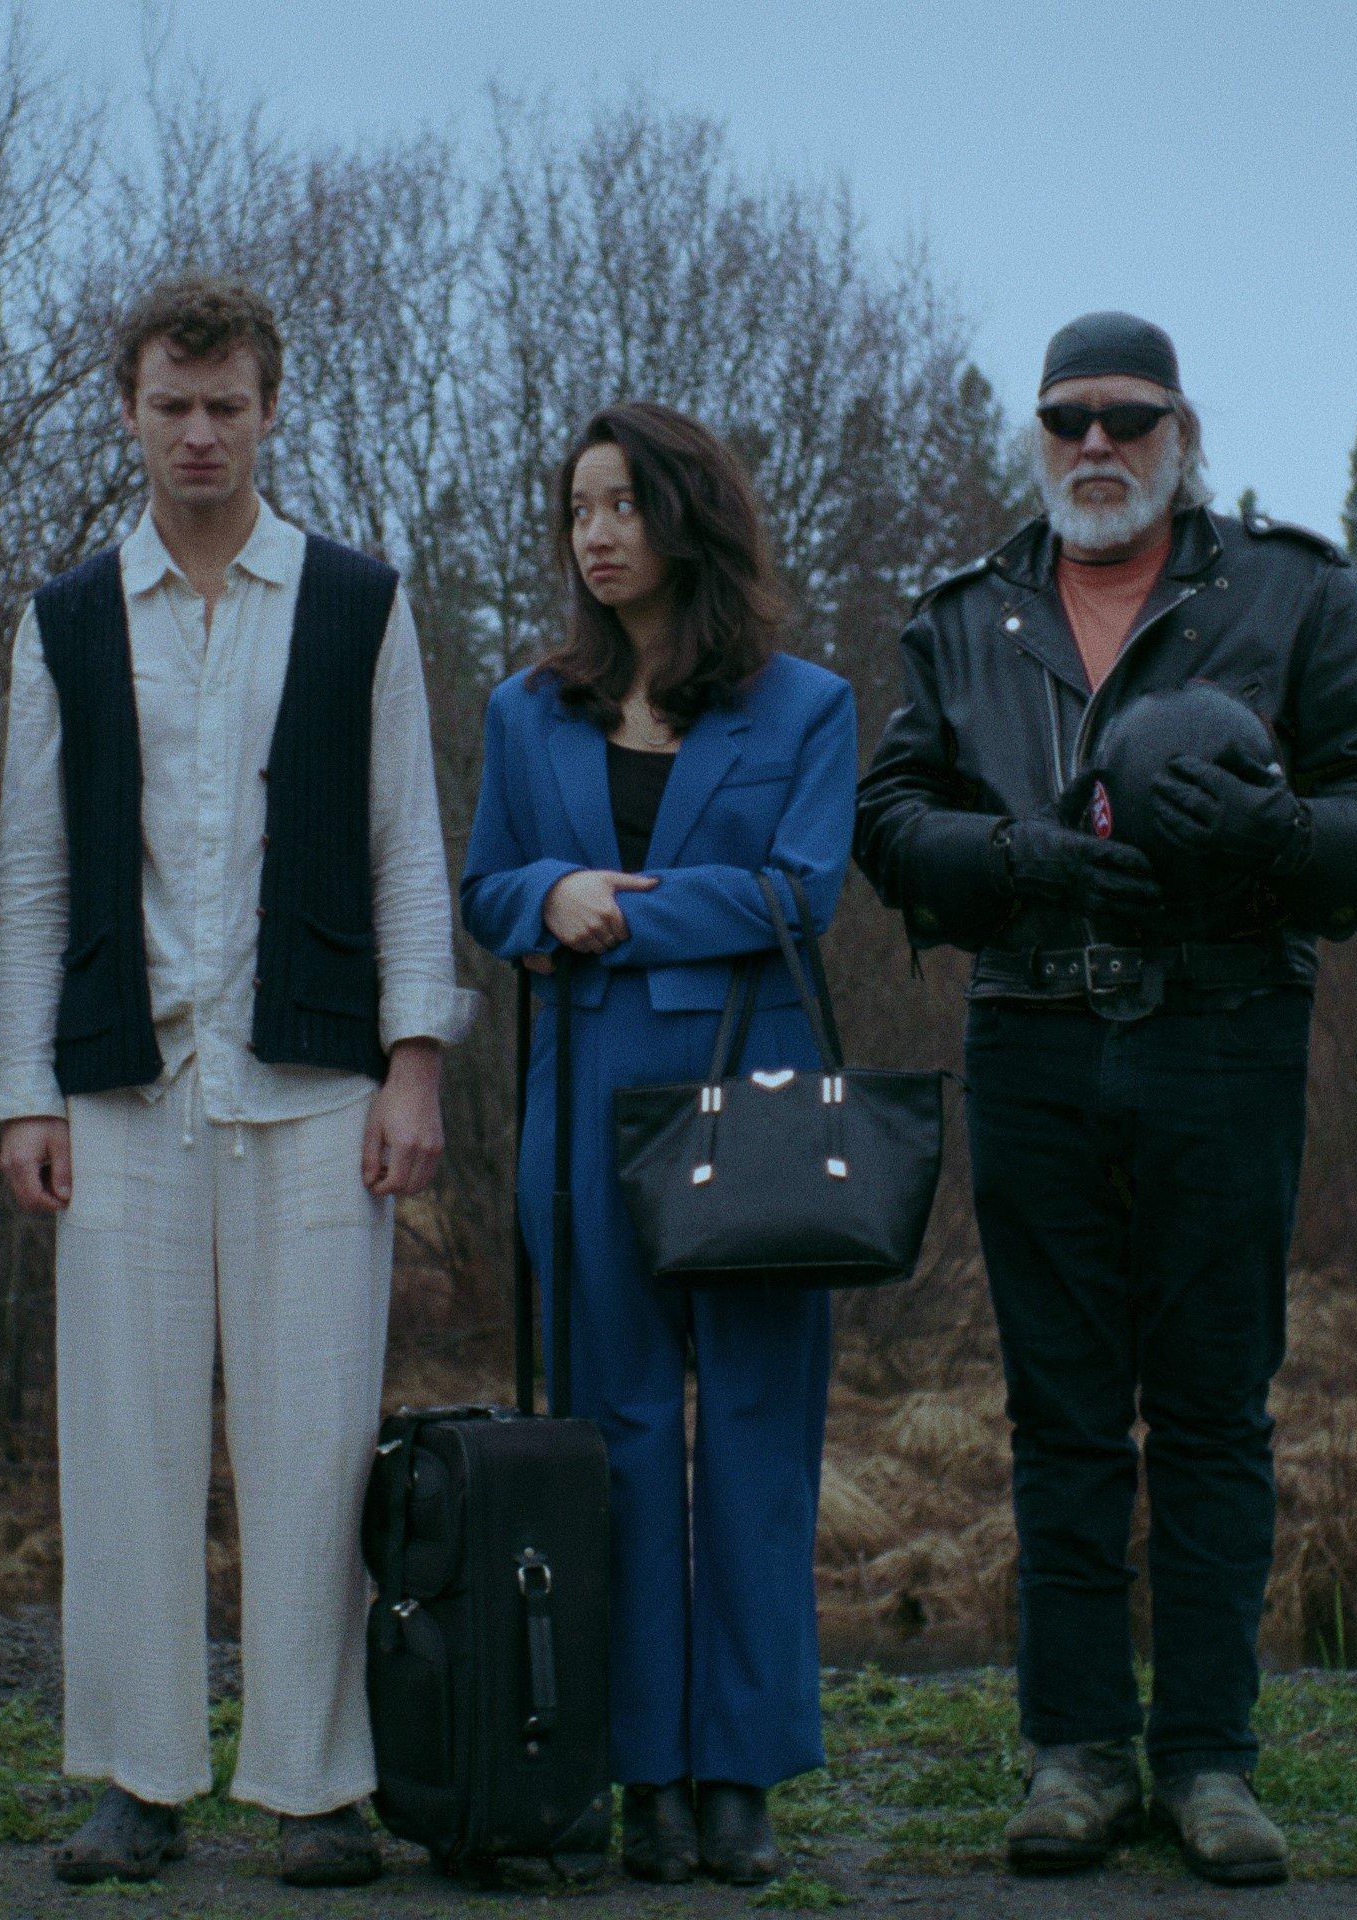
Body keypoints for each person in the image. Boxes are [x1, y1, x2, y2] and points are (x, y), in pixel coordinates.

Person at [854, 312, 1357, 1886]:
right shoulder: (964, 616)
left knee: (1210, 1410)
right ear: (1038, 438)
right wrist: (1016, 859)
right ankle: (1075, 1756)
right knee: (1058, 1417)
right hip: (1030, 1043)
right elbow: (890, 818)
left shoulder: (1290, 591)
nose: (1095, 444)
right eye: (1067, 419)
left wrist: (1274, 840)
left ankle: (1208, 1763)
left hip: (1219, 1036)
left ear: (1181, 433)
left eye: (1126, 416)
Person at [0, 277, 473, 1889]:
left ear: (268, 410)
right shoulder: (67, 618)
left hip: (317, 1083)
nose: (198, 433)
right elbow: (35, 874)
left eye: (226, 405)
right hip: (125, 1090)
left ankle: (313, 1786)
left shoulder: (354, 601)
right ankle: (138, 1776)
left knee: (314, 1444)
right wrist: (24, 1090)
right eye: (170, 405)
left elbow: (407, 846)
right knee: (122, 1444)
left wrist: (414, 1065)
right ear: (128, 412)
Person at [457, 403, 856, 1886]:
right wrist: (544, 893)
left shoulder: (804, 705)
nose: (598, 534)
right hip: (580, 1106)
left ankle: (741, 1770)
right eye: (578, 510)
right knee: (611, 1437)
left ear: (688, 517)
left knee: (755, 1433)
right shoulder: (528, 710)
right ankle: (641, 1774)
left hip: (752, 1105)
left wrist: (611, 914)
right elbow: (487, 888)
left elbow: (800, 892)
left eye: (623, 504)